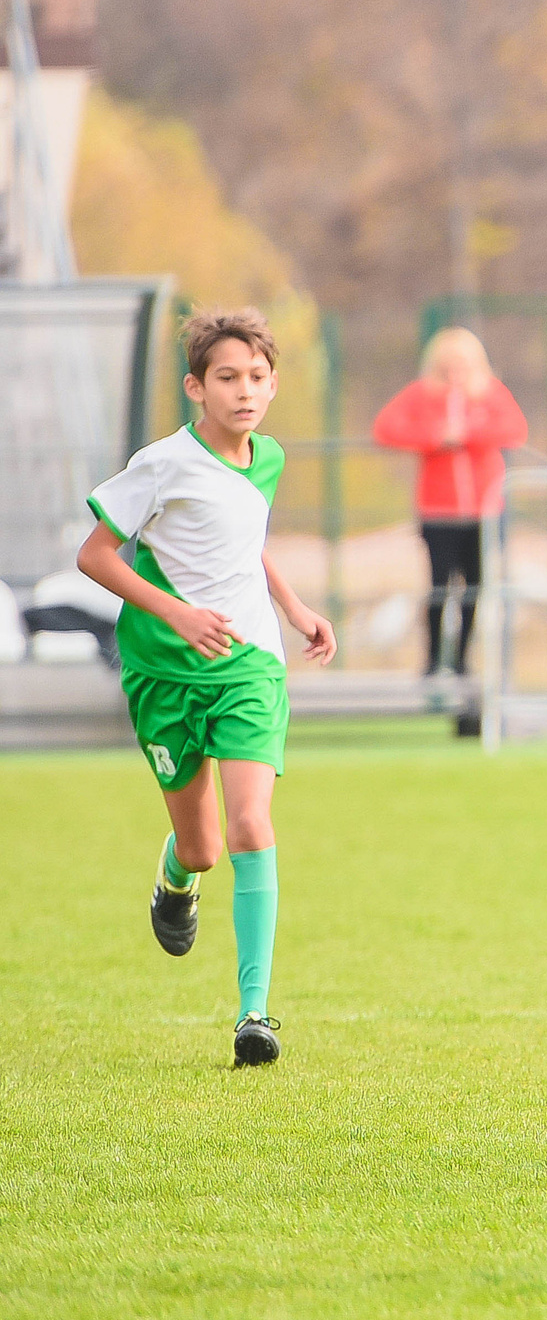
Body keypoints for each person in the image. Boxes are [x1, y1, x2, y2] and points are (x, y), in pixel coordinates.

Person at [77, 309, 337, 1069]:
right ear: (196, 386)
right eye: (227, 377)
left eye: (257, 377)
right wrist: (180, 615)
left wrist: (293, 610)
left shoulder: (270, 457)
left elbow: (248, 542)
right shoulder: (162, 463)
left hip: (250, 664)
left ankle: (254, 1013)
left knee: (253, 824)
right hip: (162, 670)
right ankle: (175, 875)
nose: (244, 390)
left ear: (274, 383)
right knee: (204, 844)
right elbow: (95, 556)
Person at [370, 328, 528, 679]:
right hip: (438, 511)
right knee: (440, 585)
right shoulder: (422, 395)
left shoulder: (489, 393)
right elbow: (386, 428)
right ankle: (431, 660)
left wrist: (468, 434)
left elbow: (514, 430)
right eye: (448, 364)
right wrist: (435, 438)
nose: (455, 372)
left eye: (462, 364)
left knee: (475, 586)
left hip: (483, 511)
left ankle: (461, 661)